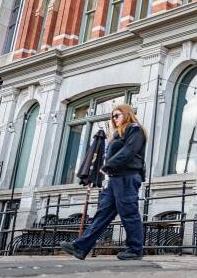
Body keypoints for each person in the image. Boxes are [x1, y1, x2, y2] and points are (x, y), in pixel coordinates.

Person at [61, 104, 147, 260]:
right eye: (112, 116)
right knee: (102, 213)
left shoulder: (135, 129)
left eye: (117, 115)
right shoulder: (117, 135)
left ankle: (135, 250)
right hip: (114, 179)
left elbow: (129, 152)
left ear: (127, 114)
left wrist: (107, 166)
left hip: (127, 177)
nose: (114, 119)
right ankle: (80, 247)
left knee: (129, 213)